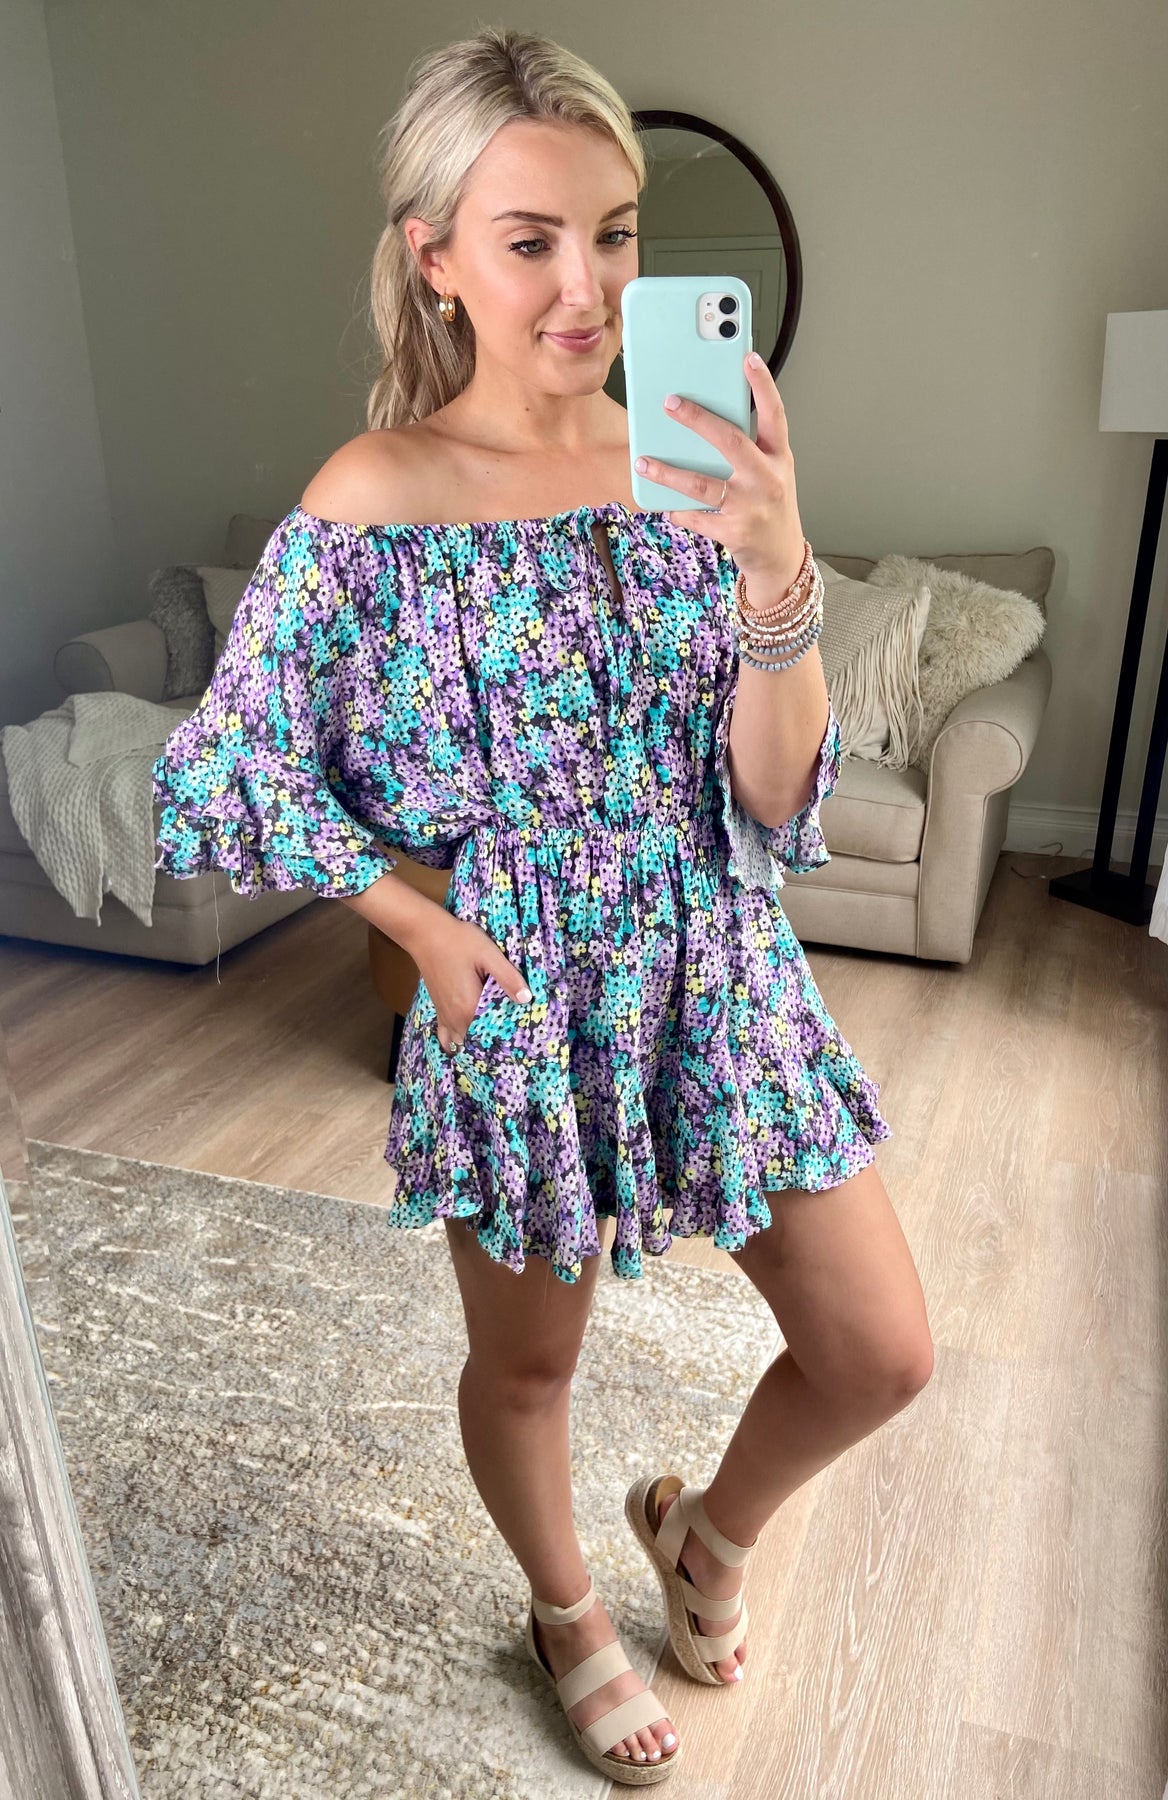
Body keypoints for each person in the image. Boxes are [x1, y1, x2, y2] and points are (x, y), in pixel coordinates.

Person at [151, 26, 933, 1786]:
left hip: (720, 962)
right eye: (530, 240)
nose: (586, 287)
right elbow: (226, 767)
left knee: (881, 1350)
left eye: (618, 233)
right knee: (528, 1370)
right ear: (435, 254)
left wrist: (776, 559)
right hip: (514, 983)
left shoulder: (689, 465)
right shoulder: (376, 501)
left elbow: (775, 796)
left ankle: (707, 1537)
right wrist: (420, 929)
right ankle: (567, 1610)